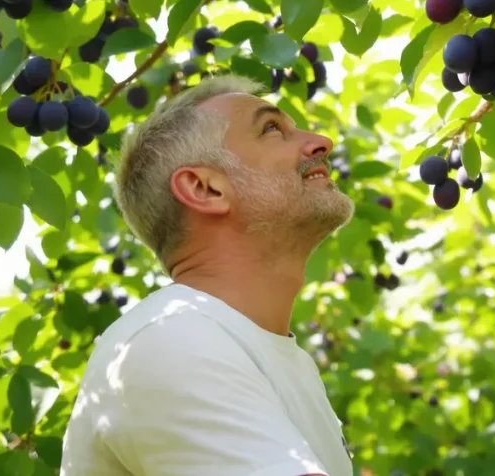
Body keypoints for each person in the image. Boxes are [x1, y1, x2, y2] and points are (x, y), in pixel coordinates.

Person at [60, 74, 356, 476]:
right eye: (272, 128)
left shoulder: (280, 358)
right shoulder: (170, 337)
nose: (321, 141)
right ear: (205, 188)